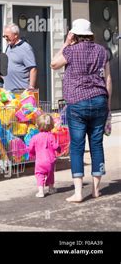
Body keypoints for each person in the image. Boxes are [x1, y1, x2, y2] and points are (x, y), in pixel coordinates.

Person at [51, 18, 112, 203]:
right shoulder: (102, 51)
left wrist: (65, 43)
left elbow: (53, 64)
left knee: (77, 146)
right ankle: (95, 190)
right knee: (96, 144)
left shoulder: (70, 50)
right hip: (100, 100)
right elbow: (108, 79)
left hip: (77, 102)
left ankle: (78, 193)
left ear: (74, 34)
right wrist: (107, 105)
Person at [29, 114, 61, 198]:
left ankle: (41, 191)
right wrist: (59, 149)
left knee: (39, 175)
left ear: (37, 125)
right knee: (50, 174)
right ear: (51, 125)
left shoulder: (35, 137)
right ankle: (51, 188)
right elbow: (56, 146)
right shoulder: (51, 136)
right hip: (50, 161)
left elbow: (30, 148)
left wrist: (32, 154)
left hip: (39, 161)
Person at [3, 23, 37, 91]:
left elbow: (33, 69)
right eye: (4, 36)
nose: (5, 38)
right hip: (8, 91)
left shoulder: (25, 48)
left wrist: (31, 87)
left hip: (21, 91)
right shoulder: (8, 47)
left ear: (15, 35)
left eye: (7, 36)